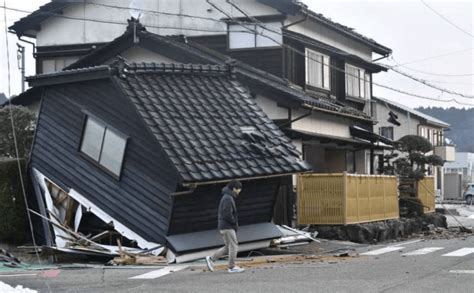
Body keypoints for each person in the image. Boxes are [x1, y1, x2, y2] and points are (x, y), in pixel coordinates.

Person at [205, 180, 245, 273]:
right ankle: (232, 267)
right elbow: (227, 214)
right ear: (234, 189)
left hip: (224, 226)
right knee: (234, 246)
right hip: (227, 226)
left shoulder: (227, 196)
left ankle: (211, 258)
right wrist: (235, 222)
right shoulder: (228, 198)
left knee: (228, 247)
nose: (239, 192)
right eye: (239, 189)